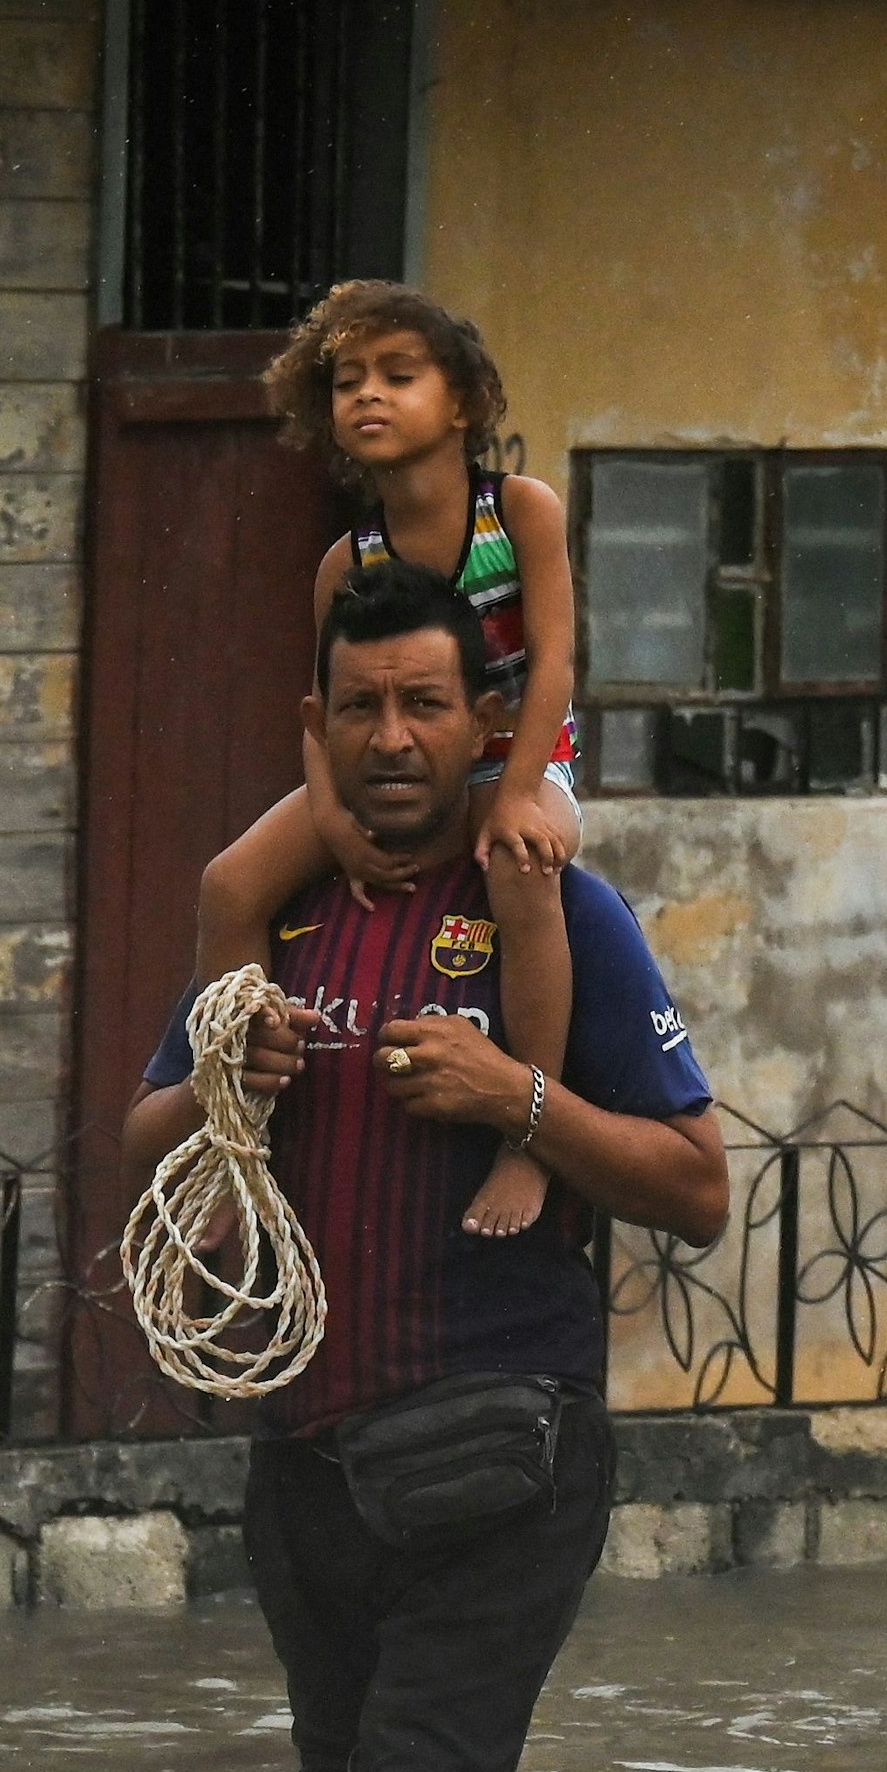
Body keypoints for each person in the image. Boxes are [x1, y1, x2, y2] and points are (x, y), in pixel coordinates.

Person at [125, 558, 723, 1772]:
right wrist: (223, 1083)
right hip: (309, 1455)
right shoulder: (280, 915)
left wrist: (517, 1099)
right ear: (315, 725)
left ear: (486, 724)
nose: (393, 737)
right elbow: (137, 1145)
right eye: (363, 705)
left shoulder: (558, 910)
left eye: (427, 705)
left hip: (500, 1446)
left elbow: (698, 1186)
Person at [196, 281, 586, 1239]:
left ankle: (527, 1133)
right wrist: (333, 821)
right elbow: (323, 711)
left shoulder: (520, 511)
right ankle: (229, 1140)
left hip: (515, 760)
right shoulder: (348, 561)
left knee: (522, 875)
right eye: (347, 381)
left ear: (463, 403)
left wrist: (519, 793)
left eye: (398, 376)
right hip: (383, 773)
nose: (368, 395)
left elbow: (557, 665)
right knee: (231, 883)